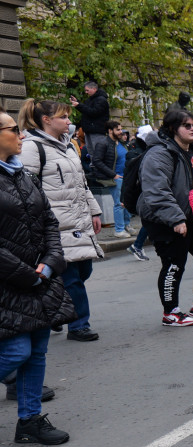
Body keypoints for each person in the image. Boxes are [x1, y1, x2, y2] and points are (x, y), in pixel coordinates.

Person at [0, 110, 75, 445]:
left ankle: (29, 421)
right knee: (16, 352)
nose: (22, 135)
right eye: (15, 129)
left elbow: (48, 221)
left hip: (39, 278)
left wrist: (50, 261)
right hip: (9, 283)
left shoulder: (21, 174)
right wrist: (24, 274)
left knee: (38, 350)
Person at [19, 98, 103, 342]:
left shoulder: (67, 146)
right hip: (55, 224)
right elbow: (26, 189)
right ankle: (78, 325)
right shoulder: (32, 147)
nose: (69, 121)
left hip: (79, 221)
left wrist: (94, 211)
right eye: (63, 117)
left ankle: (54, 308)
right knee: (72, 276)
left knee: (83, 269)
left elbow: (82, 183)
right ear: (46, 120)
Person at [137, 108, 193, 327]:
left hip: (192, 215)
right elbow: (157, 191)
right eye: (187, 125)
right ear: (172, 128)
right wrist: (175, 219)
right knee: (174, 264)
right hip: (163, 218)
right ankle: (171, 312)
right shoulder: (159, 153)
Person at [120, 124, 155, 261]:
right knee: (150, 218)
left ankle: (139, 244)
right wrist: (124, 197)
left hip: (149, 189)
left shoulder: (150, 150)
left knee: (151, 218)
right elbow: (129, 177)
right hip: (141, 191)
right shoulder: (133, 153)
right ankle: (137, 245)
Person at [70, 81, 110, 181]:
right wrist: (78, 103)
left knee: (97, 152)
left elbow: (93, 112)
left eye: (87, 90)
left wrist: (79, 105)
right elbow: (88, 109)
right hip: (90, 129)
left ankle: (100, 171)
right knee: (92, 152)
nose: (86, 92)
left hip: (97, 130)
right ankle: (95, 171)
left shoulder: (101, 100)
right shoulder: (91, 100)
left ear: (94, 89)